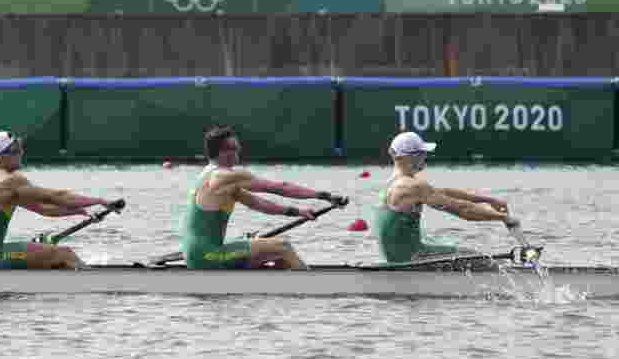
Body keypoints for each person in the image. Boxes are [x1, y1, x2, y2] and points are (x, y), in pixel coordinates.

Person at [180, 125, 347, 270]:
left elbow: (258, 203)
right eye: (235, 146)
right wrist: (323, 195)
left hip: (198, 255)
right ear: (222, 151)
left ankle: (282, 289)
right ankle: (312, 288)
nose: (239, 149)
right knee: (283, 246)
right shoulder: (223, 176)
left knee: (275, 254)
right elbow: (279, 187)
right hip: (208, 255)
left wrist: (298, 212)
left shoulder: (210, 176)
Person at [0, 131, 114, 269]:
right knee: (65, 254)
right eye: (16, 150)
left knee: (50, 254)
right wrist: (99, 200)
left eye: (20, 148)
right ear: (1, 157)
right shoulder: (9, 180)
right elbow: (57, 197)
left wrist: (82, 211)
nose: (21, 153)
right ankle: (98, 285)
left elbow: (43, 208)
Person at [374, 131, 517, 264]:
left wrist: (489, 200)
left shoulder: (392, 184)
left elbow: (445, 193)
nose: (425, 157)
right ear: (410, 157)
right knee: (475, 256)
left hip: (397, 256)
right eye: (422, 153)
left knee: (449, 243)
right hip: (411, 258)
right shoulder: (412, 186)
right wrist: (502, 217)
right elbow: (463, 210)